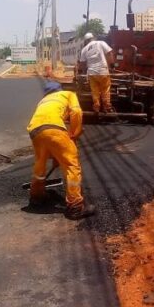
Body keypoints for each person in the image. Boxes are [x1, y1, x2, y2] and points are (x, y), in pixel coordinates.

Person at [26, 81, 95, 220]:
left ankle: (37, 197)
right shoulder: (68, 94)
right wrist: (75, 133)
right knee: (71, 166)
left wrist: (57, 158)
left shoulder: (43, 101)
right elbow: (76, 111)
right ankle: (75, 206)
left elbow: (50, 140)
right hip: (55, 128)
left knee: (40, 164)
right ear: (59, 90)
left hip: (35, 131)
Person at [77, 32, 114, 114]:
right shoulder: (101, 43)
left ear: (86, 41)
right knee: (105, 89)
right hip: (103, 71)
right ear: (93, 38)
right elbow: (109, 53)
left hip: (92, 73)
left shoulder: (84, 49)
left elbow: (82, 63)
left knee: (95, 91)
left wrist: (81, 72)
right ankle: (107, 106)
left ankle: (96, 106)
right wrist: (112, 65)